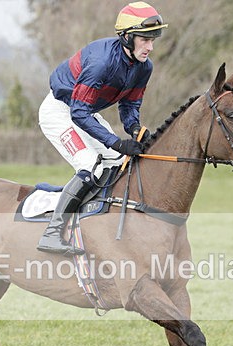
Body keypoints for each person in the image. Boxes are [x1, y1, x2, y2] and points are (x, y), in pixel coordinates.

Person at [36, 2, 167, 255]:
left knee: (118, 162)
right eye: (144, 39)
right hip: (60, 111)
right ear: (127, 37)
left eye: (153, 40)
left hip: (84, 111)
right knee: (90, 164)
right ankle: (52, 233)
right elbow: (78, 112)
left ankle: (100, 224)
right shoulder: (101, 62)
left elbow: (130, 104)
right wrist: (115, 141)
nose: (150, 47)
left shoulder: (144, 67)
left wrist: (134, 129)